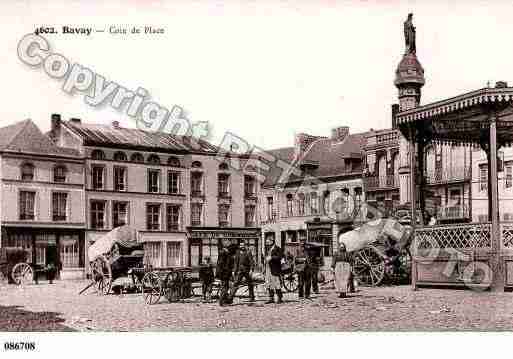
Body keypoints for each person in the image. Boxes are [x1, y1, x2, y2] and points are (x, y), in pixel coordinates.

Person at [264, 237, 283, 304]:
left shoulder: (277, 248)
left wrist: (271, 257)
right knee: (268, 284)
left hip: (275, 269)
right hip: (268, 268)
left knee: (276, 284)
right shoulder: (267, 249)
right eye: (266, 242)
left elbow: (280, 257)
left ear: (272, 241)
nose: (267, 243)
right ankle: (271, 298)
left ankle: (280, 298)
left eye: (268, 241)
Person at [216, 239, 234, 306]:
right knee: (225, 287)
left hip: (225, 273)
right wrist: (226, 271)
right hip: (224, 274)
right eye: (228, 242)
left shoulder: (224, 253)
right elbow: (222, 264)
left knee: (225, 287)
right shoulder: (223, 253)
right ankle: (221, 301)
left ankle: (225, 300)